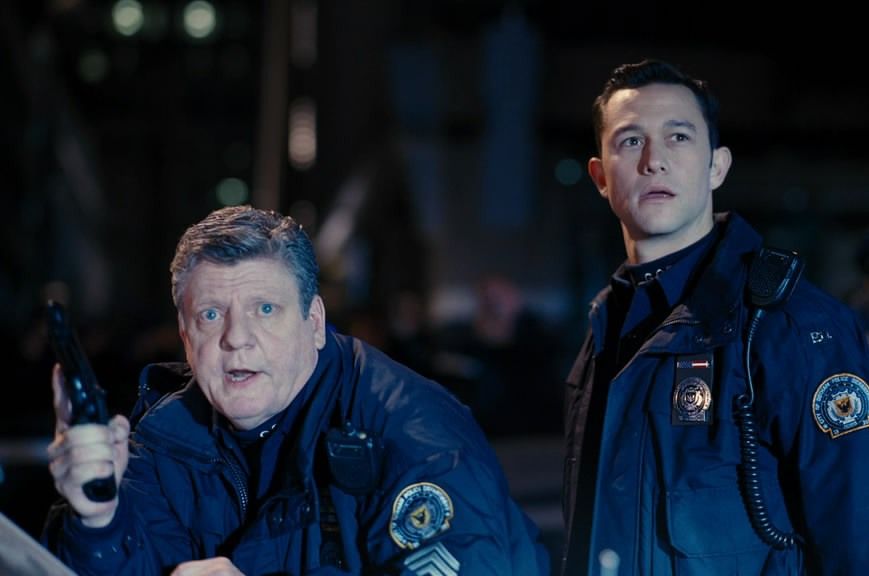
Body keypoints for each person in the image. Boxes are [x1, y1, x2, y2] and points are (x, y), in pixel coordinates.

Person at [42, 205, 551, 575]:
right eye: (211, 315)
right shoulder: (165, 441)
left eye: (265, 309)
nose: (236, 338)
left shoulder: (413, 436)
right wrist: (98, 518)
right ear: (184, 336)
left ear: (315, 323)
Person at [561, 59, 869, 575]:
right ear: (600, 176)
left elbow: (855, 544)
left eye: (678, 137)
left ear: (717, 167)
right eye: (631, 141)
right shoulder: (606, 327)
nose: (654, 161)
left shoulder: (792, 327)